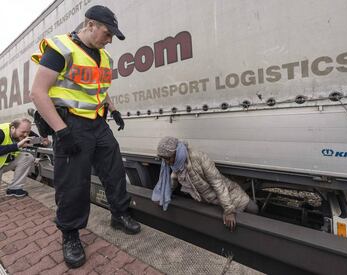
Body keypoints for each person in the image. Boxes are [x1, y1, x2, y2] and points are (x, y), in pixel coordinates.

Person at [30, 5, 140, 268]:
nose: (110, 39)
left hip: (98, 124)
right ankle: (70, 235)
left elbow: (98, 88)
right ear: (90, 25)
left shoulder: (103, 57)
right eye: (107, 33)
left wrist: (113, 110)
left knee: (114, 170)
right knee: (74, 183)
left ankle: (119, 214)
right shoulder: (61, 48)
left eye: (113, 35)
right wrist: (61, 130)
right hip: (71, 125)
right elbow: (38, 93)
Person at [153, 136, 259, 231]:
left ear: (176, 152)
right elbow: (173, 180)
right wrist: (162, 197)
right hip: (211, 200)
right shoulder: (177, 164)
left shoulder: (198, 157)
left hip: (228, 192)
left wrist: (229, 210)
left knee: (253, 209)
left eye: (168, 158)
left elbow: (217, 183)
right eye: (164, 159)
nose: (167, 162)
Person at [0, 118, 35, 197]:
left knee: (27, 157)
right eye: (23, 132)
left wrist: (44, 140)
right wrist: (17, 145)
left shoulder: (21, 130)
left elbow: (34, 136)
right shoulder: (1, 132)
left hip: (3, 164)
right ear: (13, 128)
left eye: (28, 132)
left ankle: (15, 189)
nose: (26, 135)